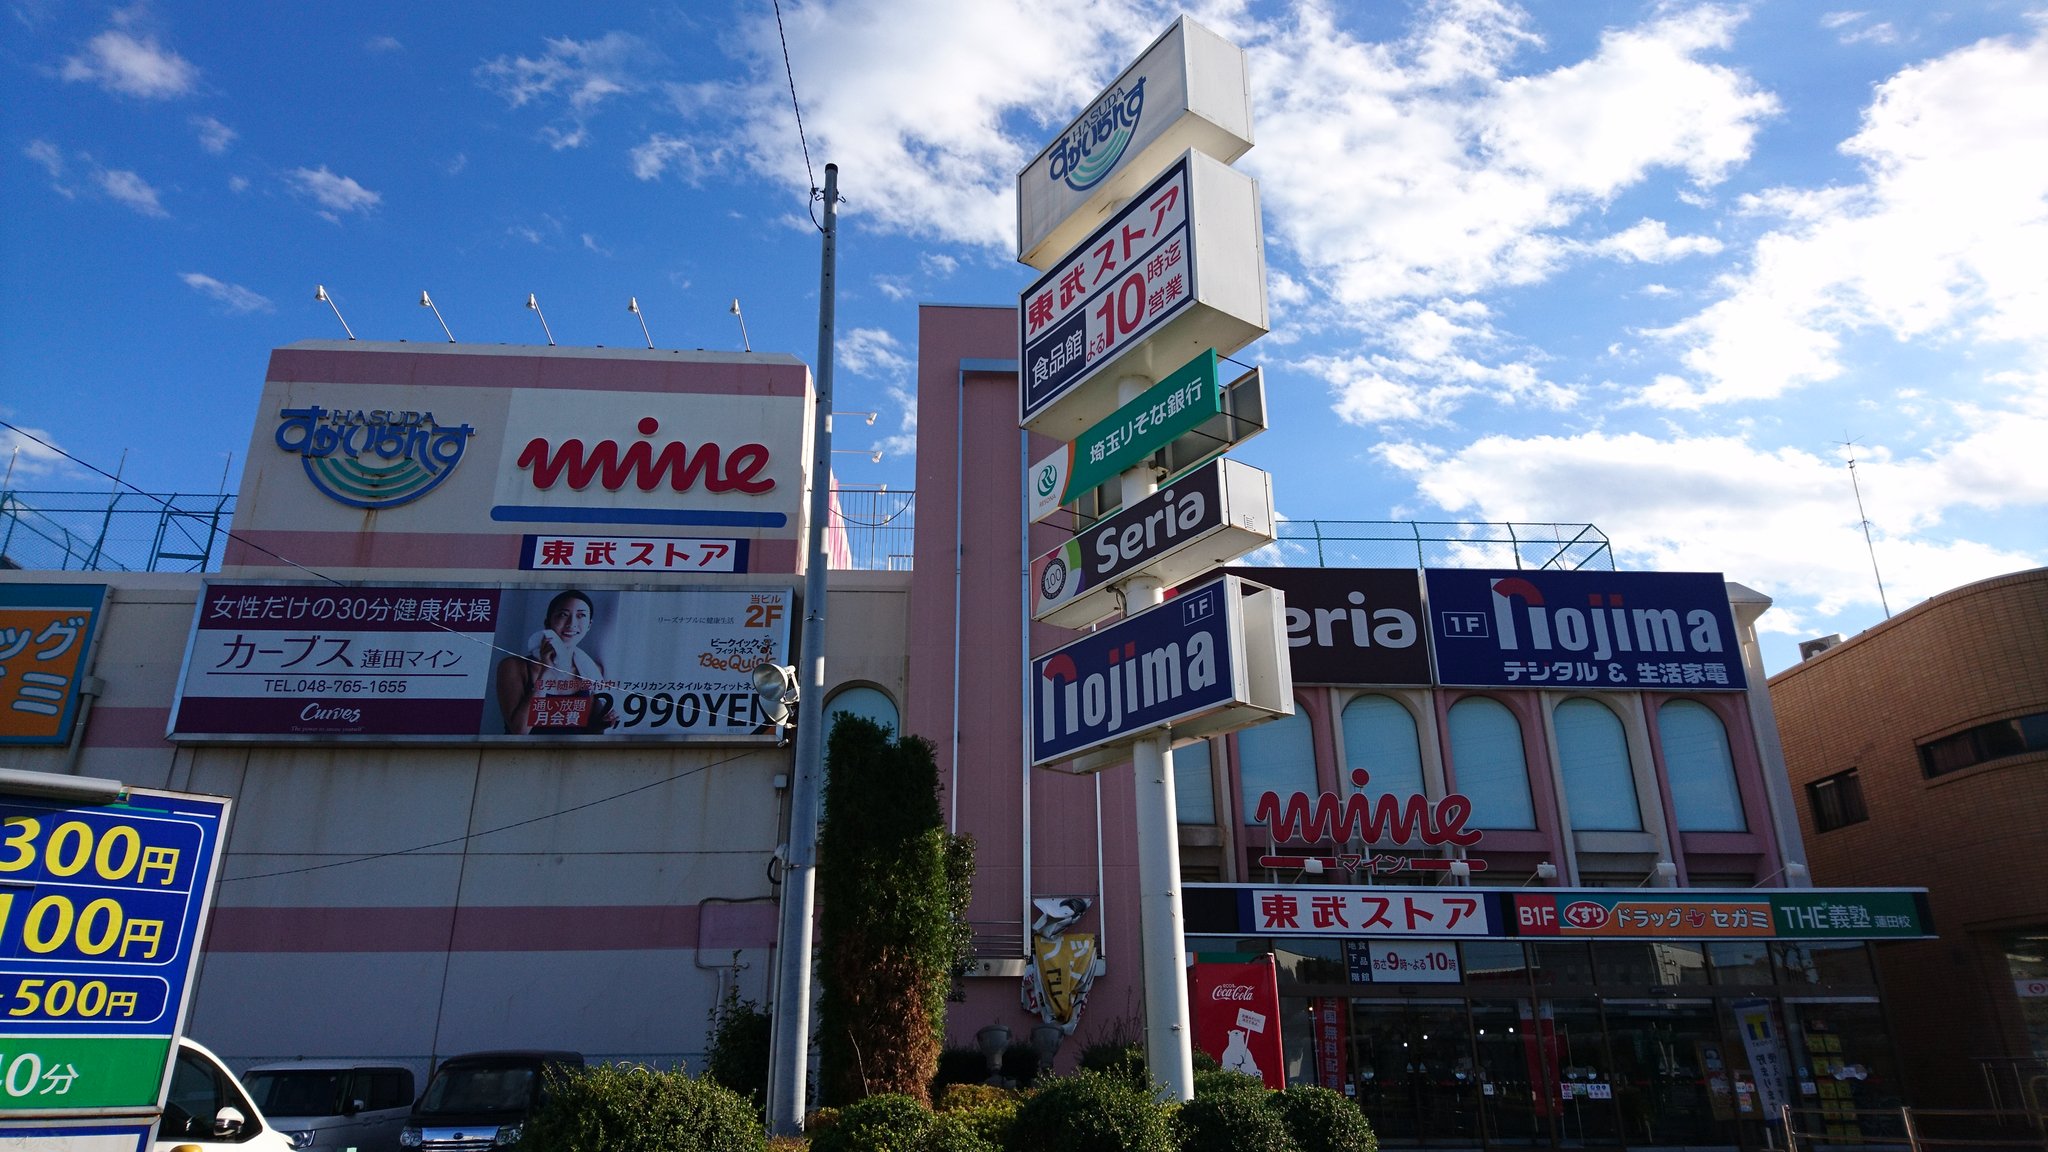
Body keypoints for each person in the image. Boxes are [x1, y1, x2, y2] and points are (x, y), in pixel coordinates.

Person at [496, 590, 617, 734]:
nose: (572, 623)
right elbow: (519, 731)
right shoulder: (514, 666)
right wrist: (546, 671)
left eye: (581, 616)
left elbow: (588, 728)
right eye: (563, 615)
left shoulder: (592, 670)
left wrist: (604, 722)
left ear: (589, 624)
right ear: (548, 622)